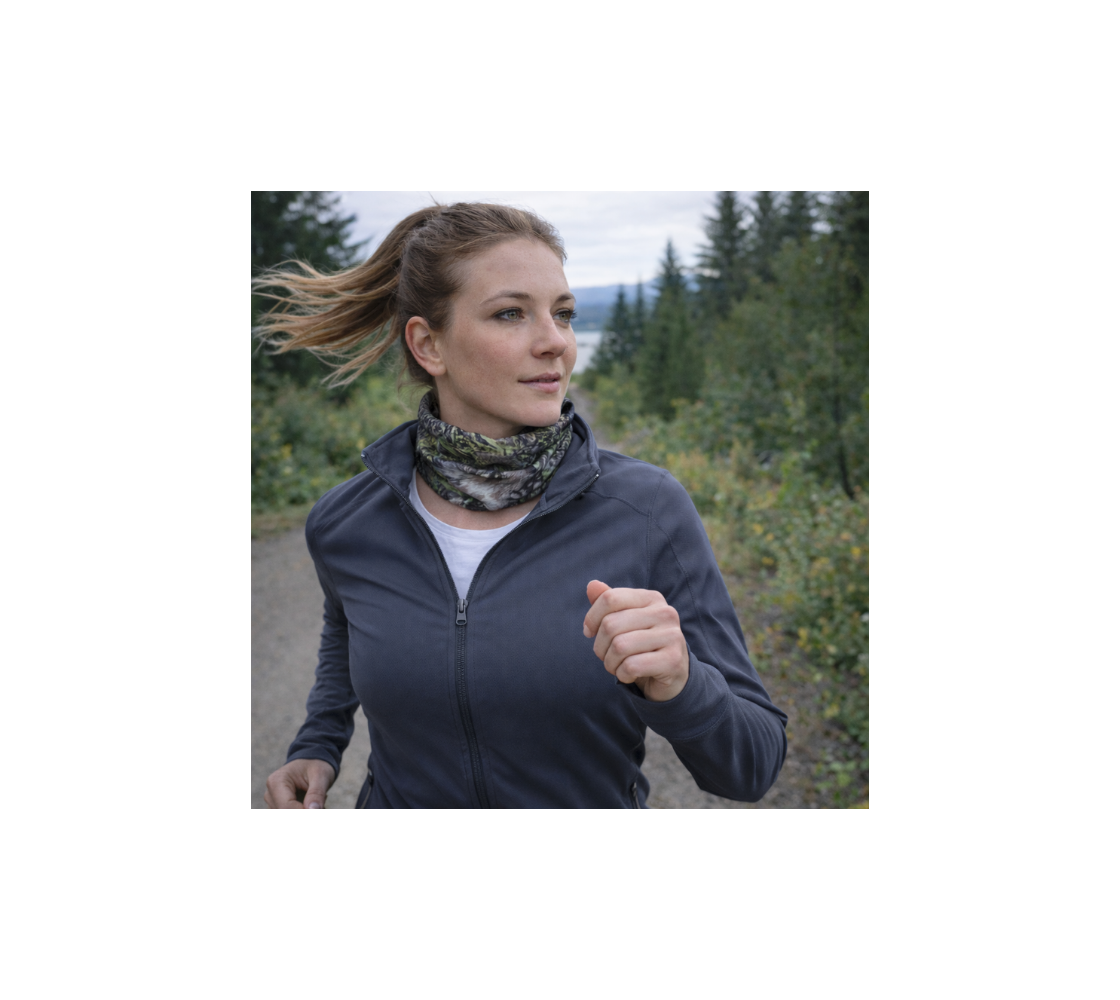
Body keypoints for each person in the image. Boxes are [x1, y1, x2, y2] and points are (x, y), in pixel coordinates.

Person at [256, 203, 787, 809]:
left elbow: (753, 768)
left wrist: (683, 683)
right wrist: (318, 743)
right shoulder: (345, 523)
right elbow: (345, 632)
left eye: (563, 314)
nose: (555, 342)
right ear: (428, 345)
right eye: (511, 313)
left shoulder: (647, 511)